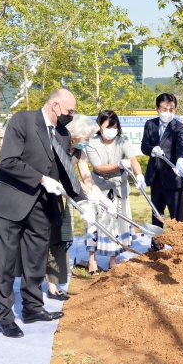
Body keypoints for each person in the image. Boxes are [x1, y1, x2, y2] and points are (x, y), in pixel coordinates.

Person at [0, 89, 94, 338]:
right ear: (55, 106)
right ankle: (4, 317)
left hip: (41, 205)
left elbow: (67, 172)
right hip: (10, 203)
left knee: (36, 259)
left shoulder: (63, 134)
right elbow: (8, 161)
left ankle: (33, 307)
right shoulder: (22, 121)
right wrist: (42, 178)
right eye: (70, 111)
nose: (72, 115)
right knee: (4, 261)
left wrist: (83, 202)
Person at [42, 114, 115, 299]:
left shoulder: (80, 151)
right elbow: (67, 178)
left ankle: (53, 287)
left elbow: (86, 176)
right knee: (47, 239)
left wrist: (104, 200)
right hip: (48, 192)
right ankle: (38, 282)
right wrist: (85, 195)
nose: (87, 142)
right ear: (74, 135)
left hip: (64, 194)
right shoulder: (60, 147)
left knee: (60, 238)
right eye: (86, 138)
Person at [85, 110, 146, 273]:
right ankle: (92, 261)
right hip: (99, 188)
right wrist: (119, 164)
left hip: (119, 187)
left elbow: (133, 159)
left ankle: (113, 259)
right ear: (100, 126)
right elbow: (98, 167)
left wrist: (139, 176)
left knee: (118, 225)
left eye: (114, 125)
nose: (112, 129)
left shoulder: (122, 140)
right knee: (95, 225)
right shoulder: (92, 142)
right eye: (108, 126)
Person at [141, 93, 183, 245]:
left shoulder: (179, 127)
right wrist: (152, 150)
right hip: (155, 177)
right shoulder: (150, 124)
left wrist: (181, 161)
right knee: (156, 214)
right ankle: (156, 246)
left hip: (173, 178)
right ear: (157, 109)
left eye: (171, 109)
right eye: (164, 108)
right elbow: (144, 146)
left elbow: (182, 146)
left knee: (176, 216)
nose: (168, 112)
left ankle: (179, 246)